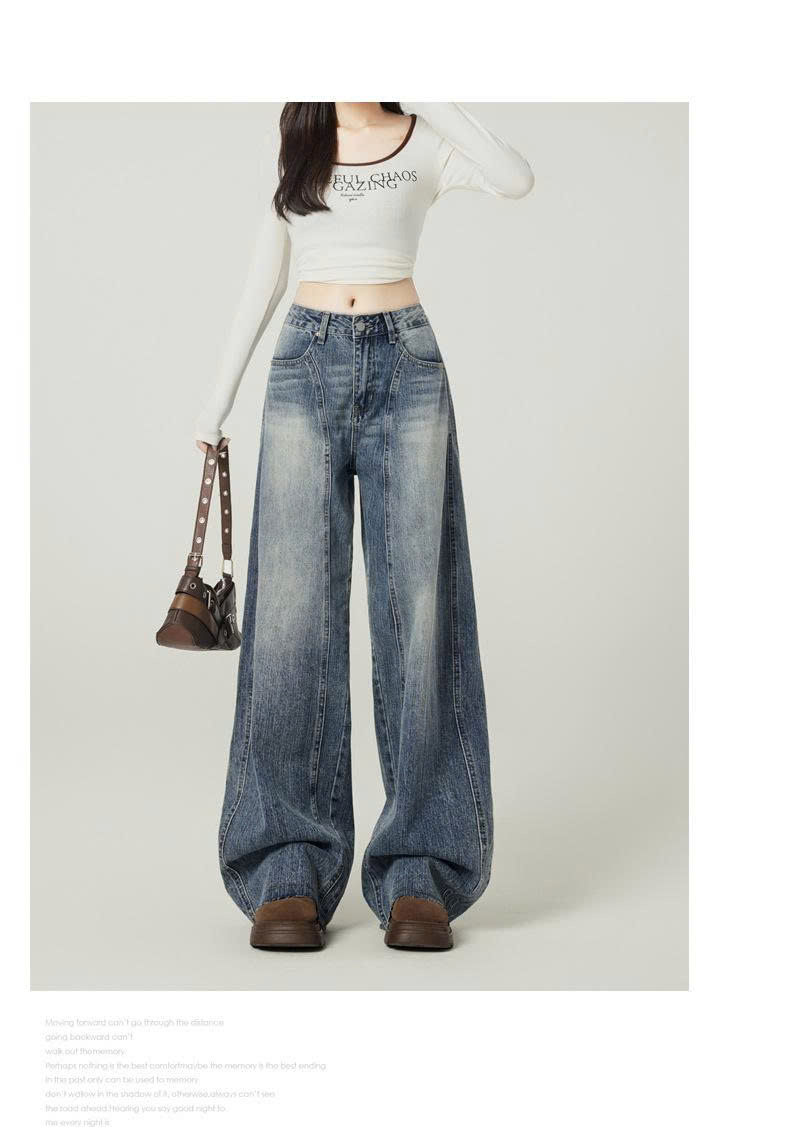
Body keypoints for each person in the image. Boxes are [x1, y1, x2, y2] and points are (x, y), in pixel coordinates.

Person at [197, 102, 534, 951]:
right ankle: (286, 865)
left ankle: (424, 868)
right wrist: (216, 401)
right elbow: (265, 271)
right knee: (291, 621)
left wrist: (430, 93)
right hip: (303, 361)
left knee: (419, 615)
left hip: (407, 364)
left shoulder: (428, 141)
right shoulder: (297, 137)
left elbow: (515, 178)